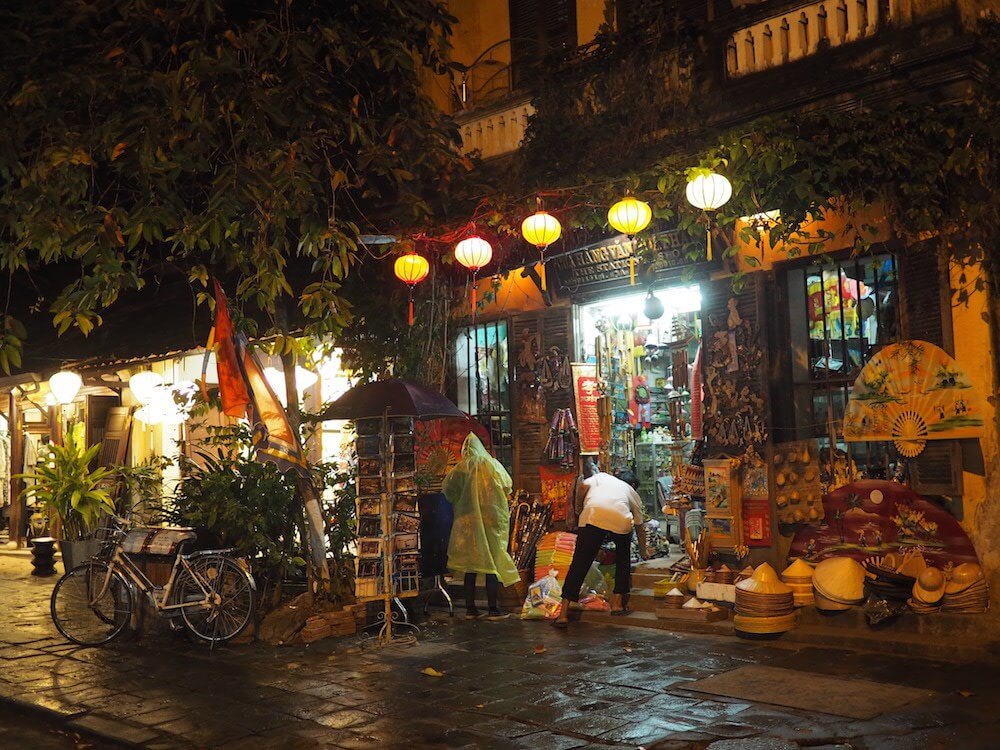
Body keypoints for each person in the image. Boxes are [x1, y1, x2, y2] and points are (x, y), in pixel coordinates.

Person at [553, 462, 649, 627]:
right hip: (620, 520)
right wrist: (643, 550)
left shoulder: (601, 477)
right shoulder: (631, 491)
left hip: (592, 516)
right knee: (623, 560)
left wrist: (579, 508)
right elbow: (640, 526)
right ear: (632, 485)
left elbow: (582, 486)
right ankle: (617, 604)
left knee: (579, 564)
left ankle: (563, 614)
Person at [442, 433, 520, 620]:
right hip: (492, 521)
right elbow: (507, 485)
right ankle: (493, 609)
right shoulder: (493, 465)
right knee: (491, 564)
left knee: (471, 565)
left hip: (467, 524)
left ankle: (470, 609)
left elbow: (448, 491)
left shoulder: (460, 468)